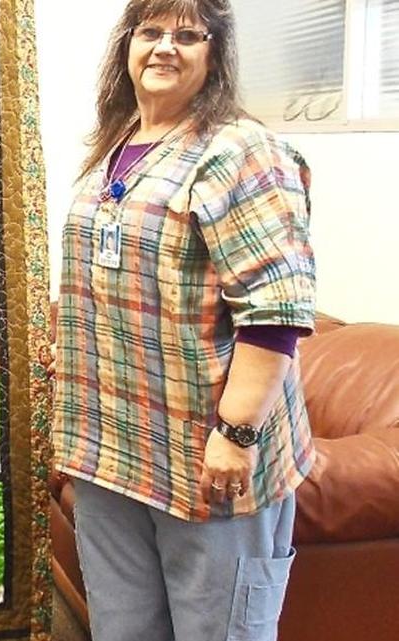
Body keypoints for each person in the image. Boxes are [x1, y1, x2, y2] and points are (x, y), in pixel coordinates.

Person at [51, 1, 317, 640]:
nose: (165, 46)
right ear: (127, 47)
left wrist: (236, 432)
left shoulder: (240, 151)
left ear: (214, 54)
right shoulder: (114, 147)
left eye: (188, 34)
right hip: (110, 452)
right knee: (123, 630)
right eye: (149, 31)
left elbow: (276, 307)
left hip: (207, 455)